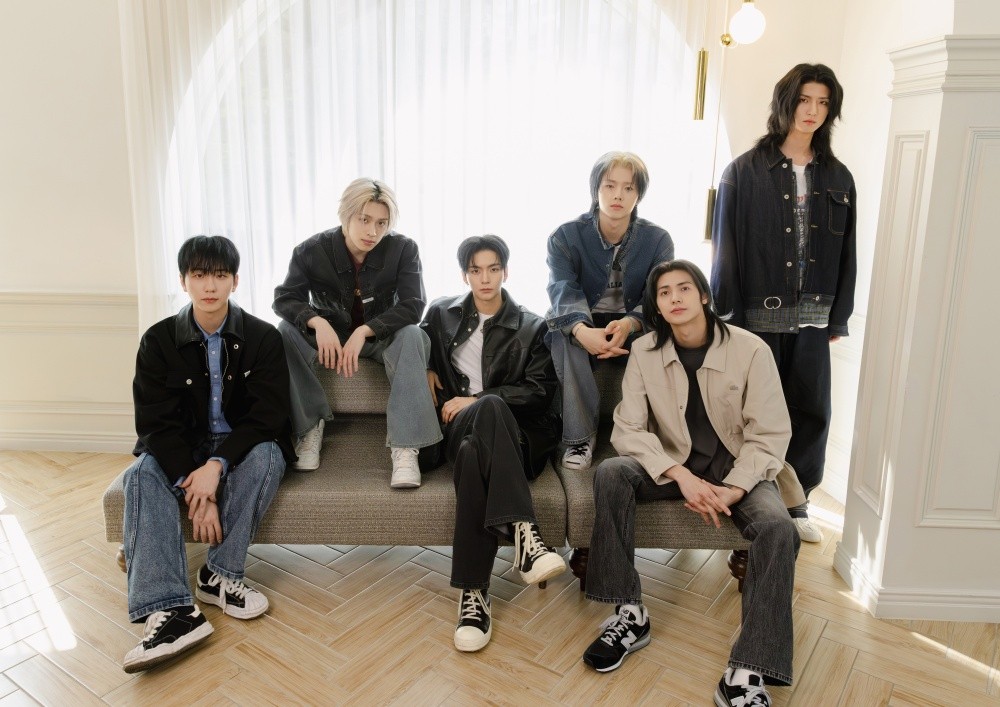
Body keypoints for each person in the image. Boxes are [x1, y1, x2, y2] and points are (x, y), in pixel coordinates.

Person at [582, 260, 799, 707]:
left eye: (684, 288)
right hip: (673, 466)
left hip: (739, 471)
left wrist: (735, 488)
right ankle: (629, 613)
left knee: (779, 528)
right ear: (656, 306)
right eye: (664, 292)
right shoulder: (645, 351)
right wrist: (680, 476)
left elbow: (769, 434)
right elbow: (628, 429)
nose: (674, 298)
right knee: (611, 472)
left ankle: (747, 669)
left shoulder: (750, 349)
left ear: (703, 295)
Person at [122, 235, 294, 673]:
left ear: (235, 281)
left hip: (239, 445)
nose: (210, 285)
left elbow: (268, 418)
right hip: (182, 445)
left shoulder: (263, 337)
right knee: (139, 475)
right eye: (199, 275)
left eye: (220, 275)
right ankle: (172, 609)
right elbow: (156, 424)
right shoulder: (158, 340)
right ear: (184, 281)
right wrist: (191, 481)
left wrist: (216, 467)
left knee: (270, 456)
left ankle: (219, 574)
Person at [711, 63, 856, 543]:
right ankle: (755, 499)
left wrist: (839, 316)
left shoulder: (838, 177)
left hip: (814, 314)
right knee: (755, 412)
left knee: (810, 410)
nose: (812, 111)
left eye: (823, 102)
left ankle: (798, 503)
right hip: (756, 317)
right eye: (804, 100)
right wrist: (726, 317)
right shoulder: (743, 172)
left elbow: (848, 250)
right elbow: (725, 249)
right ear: (785, 103)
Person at [421, 235, 566, 652]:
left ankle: (474, 595)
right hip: (456, 427)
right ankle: (525, 536)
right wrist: (425, 366)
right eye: (476, 270)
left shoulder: (532, 325)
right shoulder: (441, 314)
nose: (485, 278)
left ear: (506, 271)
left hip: (517, 438)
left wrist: (479, 398)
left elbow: (539, 391)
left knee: (478, 441)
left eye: (493, 269)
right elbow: (409, 340)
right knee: (476, 427)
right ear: (464, 275)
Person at [273, 178, 441, 487]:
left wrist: (366, 330)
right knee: (284, 331)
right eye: (364, 220)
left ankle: (406, 449)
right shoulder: (311, 250)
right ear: (346, 215)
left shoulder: (404, 249)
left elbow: (413, 304)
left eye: (381, 223)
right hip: (331, 337)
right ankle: (309, 428)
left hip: (380, 337)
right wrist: (317, 322)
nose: (373, 232)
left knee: (413, 334)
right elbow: (285, 299)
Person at [545, 151, 674, 471]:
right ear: (595, 189)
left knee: (666, 336)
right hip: (584, 317)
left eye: (629, 188)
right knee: (563, 337)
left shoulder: (658, 240)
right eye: (610, 185)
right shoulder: (566, 236)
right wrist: (581, 330)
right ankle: (579, 439)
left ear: (639, 194)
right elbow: (562, 289)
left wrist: (630, 324)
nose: (618, 195)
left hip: (635, 321)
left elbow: (659, 294)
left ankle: (652, 435)